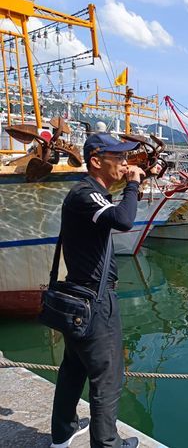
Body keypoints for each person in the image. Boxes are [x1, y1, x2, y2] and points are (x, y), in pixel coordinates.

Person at [50, 133, 145, 448]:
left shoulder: (94, 195)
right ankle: (107, 444)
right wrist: (132, 184)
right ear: (95, 160)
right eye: (118, 158)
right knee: (108, 377)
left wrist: (135, 183)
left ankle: (63, 433)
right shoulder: (84, 193)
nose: (124, 163)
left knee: (74, 369)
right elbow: (124, 219)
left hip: (82, 296)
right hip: (94, 299)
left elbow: (115, 212)